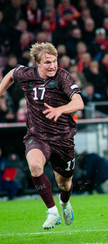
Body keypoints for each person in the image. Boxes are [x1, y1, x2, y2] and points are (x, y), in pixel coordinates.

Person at [0, 42, 84, 229]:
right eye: (47, 62)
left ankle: (64, 203)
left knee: (64, 184)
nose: (52, 65)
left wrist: (60, 110)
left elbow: (79, 103)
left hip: (63, 139)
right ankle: (52, 211)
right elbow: (12, 74)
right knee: (35, 165)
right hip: (37, 136)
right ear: (37, 63)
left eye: (54, 61)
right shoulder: (27, 74)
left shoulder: (63, 77)